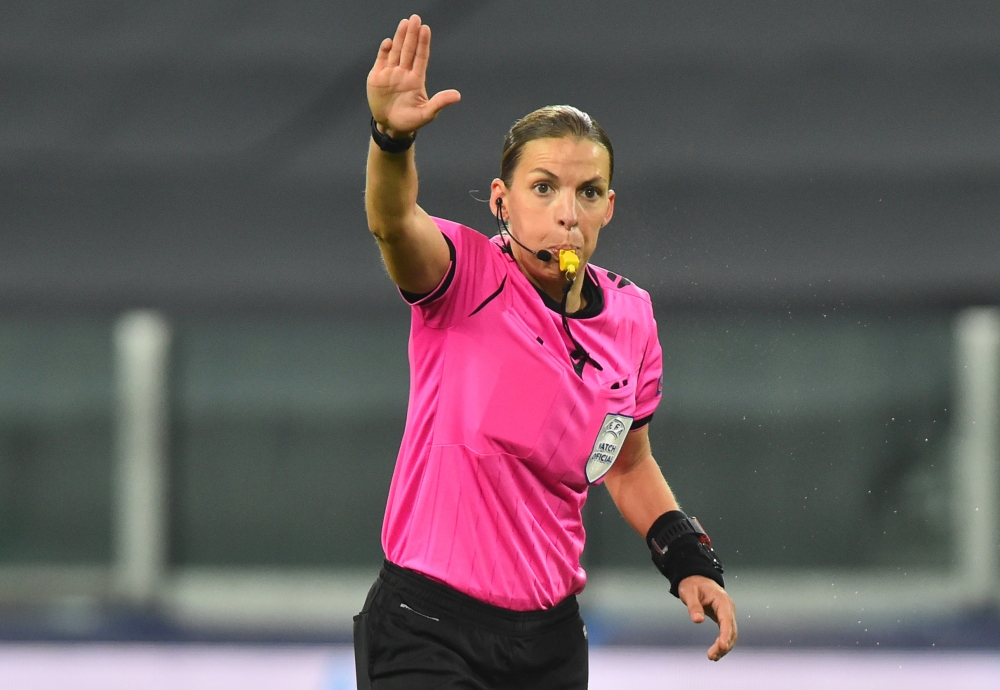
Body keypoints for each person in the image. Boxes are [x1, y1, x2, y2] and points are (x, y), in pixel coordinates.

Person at [354, 14, 737, 689]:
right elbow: (391, 222)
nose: (567, 213)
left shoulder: (632, 319)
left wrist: (687, 560)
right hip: (426, 627)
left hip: (548, 644)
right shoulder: (462, 275)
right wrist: (391, 139)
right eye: (544, 188)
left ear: (609, 207)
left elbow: (626, 463)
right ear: (501, 201)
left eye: (588, 193)